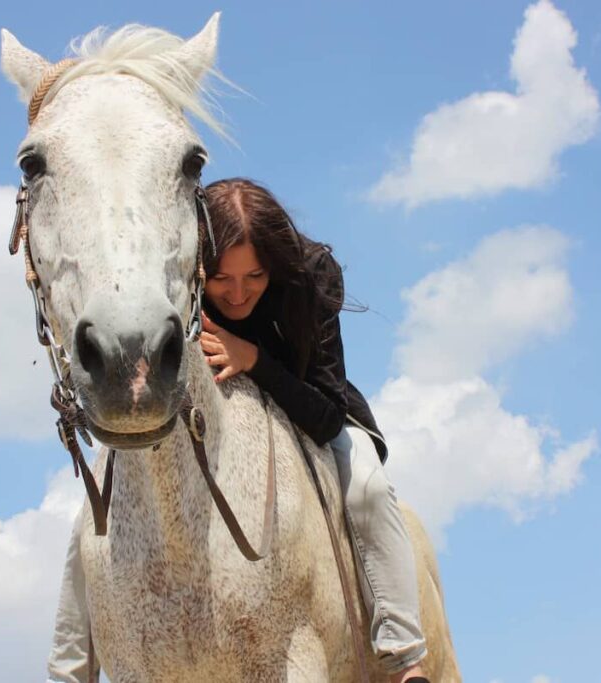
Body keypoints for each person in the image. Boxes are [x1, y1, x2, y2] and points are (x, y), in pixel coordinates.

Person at [47, 178, 428, 683]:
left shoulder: (313, 276)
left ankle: (404, 655)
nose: (239, 292)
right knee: (93, 509)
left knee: (370, 491)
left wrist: (254, 361)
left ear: (275, 265)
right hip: (205, 414)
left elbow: (327, 414)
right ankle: (68, 670)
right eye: (223, 279)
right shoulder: (178, 277)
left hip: (310, 407)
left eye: (255, 276)